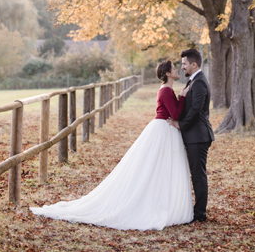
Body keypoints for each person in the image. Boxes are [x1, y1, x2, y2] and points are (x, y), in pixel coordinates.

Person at [30, 60, 193, 230]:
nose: (177, 69)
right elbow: (175, 113)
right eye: (174, 68)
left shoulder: (167, 89)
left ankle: (163, 202)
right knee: (155, 166)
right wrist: (182, 97)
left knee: (161, 167)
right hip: (164, 129)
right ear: (167, 73)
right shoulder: (166, 90)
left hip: (166, 129)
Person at [167, 48, 214, 223]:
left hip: (199, 136)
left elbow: (196, 110)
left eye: (184, 64)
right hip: (194, 136)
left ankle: (200, 213)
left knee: (198, 174)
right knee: (196, 173)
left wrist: (180, 124)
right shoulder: (194, 81)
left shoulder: (200, 82)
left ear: (194, 64)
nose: (182, 68)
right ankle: (197, 211)